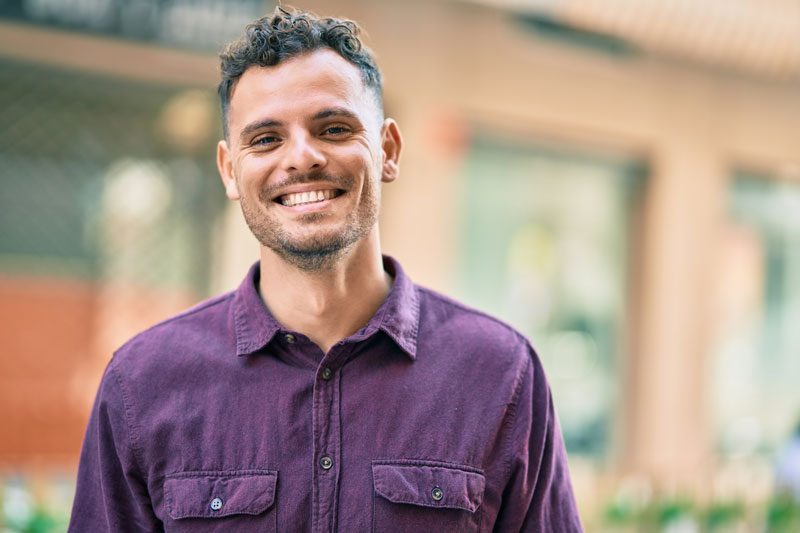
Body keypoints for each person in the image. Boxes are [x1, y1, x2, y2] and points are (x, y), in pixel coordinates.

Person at [68, 6, 583, 532]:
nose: (302, 158)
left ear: (387, 149)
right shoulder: (142, 383)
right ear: (229, 169)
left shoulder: (500, 374)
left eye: (333, 128)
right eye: (266, 139)